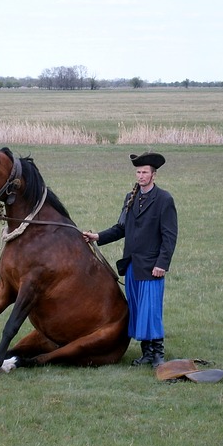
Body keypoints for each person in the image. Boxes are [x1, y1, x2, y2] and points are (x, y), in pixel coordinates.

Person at [83, 152, 177, 368]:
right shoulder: (131, 197)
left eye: (145, 172)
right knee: (137, 308)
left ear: (153, 175)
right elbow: (121, 228)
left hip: (152, 266)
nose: (141, 175)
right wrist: (97, 237)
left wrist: (162, 264)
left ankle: (158, 355)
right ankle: (146, 354)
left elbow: (169, 237)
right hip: (132, 265)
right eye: (138, 171)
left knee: (150, 310)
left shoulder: (164, 199)